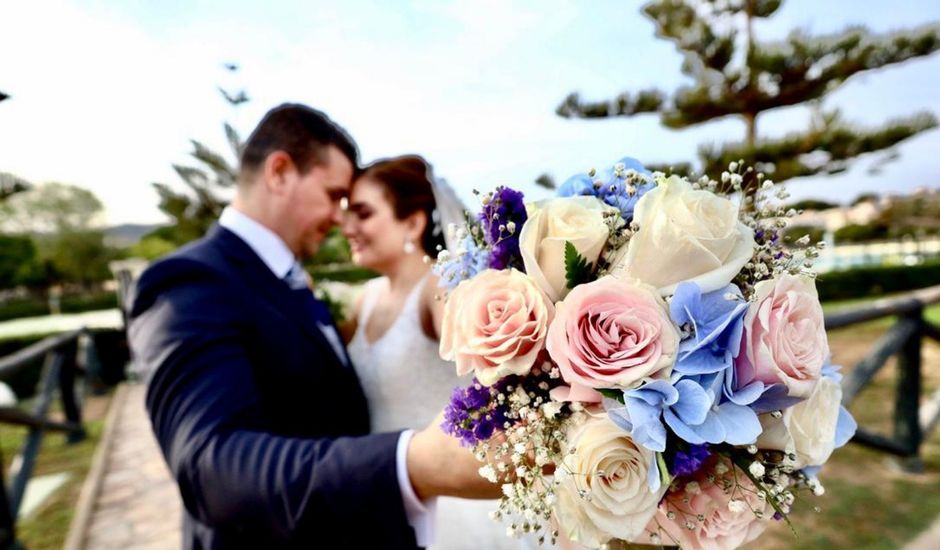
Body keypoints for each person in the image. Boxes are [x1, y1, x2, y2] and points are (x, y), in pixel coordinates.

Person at [128, 104, 499, 550]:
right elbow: (212, 468)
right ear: (280, 172)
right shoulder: (189, 280)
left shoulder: (287, 282)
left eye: (354, 206)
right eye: (333, 195)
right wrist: (411, 465)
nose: (339, 218)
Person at [341, 156, 525, 550]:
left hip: (449, 503)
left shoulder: (440, 291)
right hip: (382, 485)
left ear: (412, 222)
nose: (347, 227)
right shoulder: (365, 299)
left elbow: (495, 377)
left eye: (363, 213)